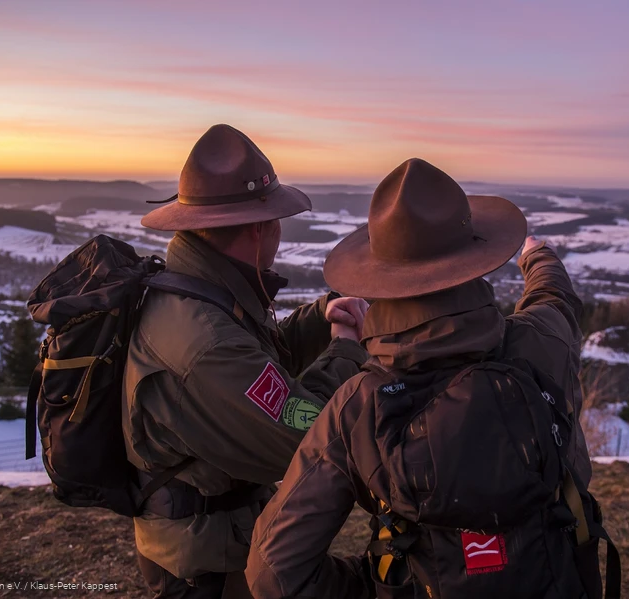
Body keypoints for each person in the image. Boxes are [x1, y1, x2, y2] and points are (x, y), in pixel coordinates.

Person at [245, 158, 603, 599]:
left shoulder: (359, 404)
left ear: (382, 273)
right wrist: (538, 256)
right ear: (474, 256)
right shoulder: (538, 346)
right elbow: (556, 300)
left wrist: (375, 584)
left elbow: (274, 572)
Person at [123, 124, 370, 598]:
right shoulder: (207, 342)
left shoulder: (195, 292)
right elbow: (305, 433)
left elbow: (256, 367)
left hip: (208, 542)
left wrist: (319, 318)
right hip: (211, 566)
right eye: (277, 221)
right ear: (260, 228)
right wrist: (346, 348)